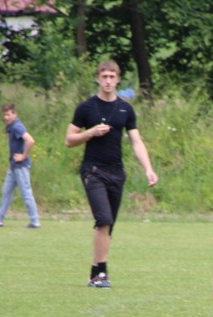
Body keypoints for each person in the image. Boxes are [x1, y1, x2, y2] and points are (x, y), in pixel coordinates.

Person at [65, 59, 158, 288]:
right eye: (104, 76)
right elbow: (69, 139)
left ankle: (94, 273)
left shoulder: (126, 109)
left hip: (116, 173)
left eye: (112, 77)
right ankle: (101, 273)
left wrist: (148, 169)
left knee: (107, 226)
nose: (108, 81)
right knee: (104, 219)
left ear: (118, 80)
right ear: (97, 79)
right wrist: (91, 133)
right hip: (93, 171)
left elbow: (136, 141)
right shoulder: (86, 108)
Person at [0, 103, 40, 228]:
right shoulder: (11, 126)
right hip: (13, 165)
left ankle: (35, 221)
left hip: (21, 166)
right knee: (6, 191)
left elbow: (30, 140)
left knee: (26, 193)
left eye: (8, 114)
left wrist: (23, 156)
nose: (6, 117)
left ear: (15, 114)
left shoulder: (17, 126)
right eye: (4, 115)